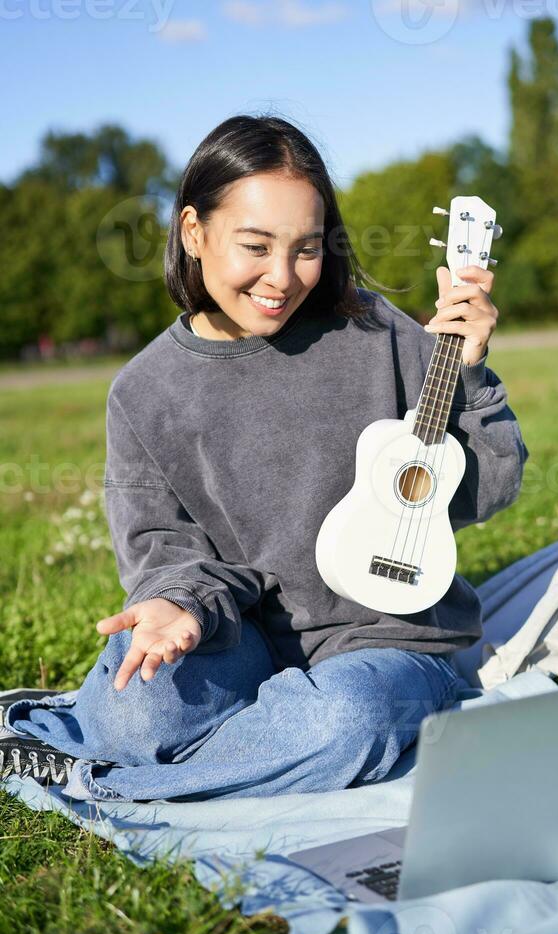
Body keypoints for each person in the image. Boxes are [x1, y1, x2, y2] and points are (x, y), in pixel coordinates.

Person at [1, 114, 527, 803]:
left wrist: (475, 372)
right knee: (136, 714)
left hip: (387, 645)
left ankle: (97, 777)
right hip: (236, 635)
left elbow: (486, 488)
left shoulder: (377, 334)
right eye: (256, 245)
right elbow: (164, 547)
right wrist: (173, 604)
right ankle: (198, 747)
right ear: (194, 232)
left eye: (307, 248)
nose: (283, 277)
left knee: (348, 722)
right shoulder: (144, 391)